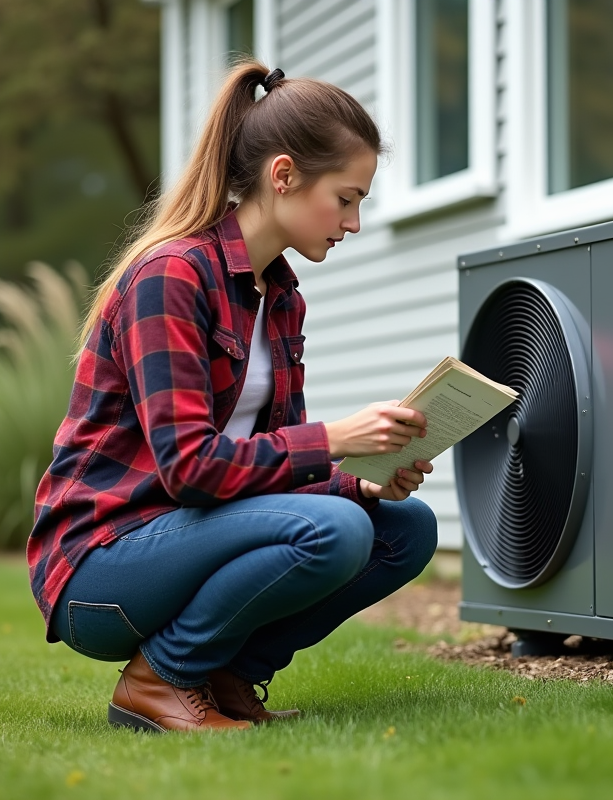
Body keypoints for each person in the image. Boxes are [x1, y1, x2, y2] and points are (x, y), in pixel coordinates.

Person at [27, 61, 438, 733]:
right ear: (283, 177)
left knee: (405, 529)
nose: (355, 222)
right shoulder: (171, 277)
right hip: (101, 566)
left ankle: (226, 674)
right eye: (346, 198)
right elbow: (189, 469)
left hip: (190, 537)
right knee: (331, 533)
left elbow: (271, 476)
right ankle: (159, 679)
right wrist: (336, 441)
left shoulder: (280, 297)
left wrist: (361, 485)